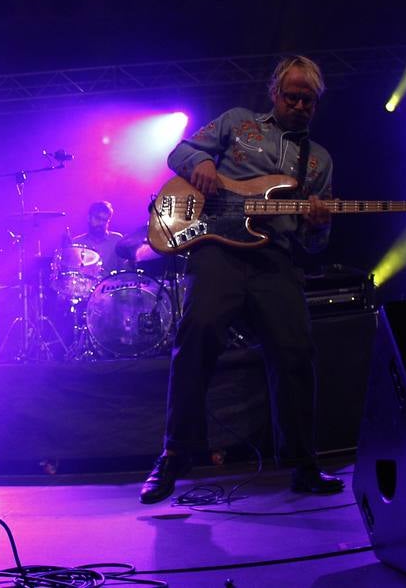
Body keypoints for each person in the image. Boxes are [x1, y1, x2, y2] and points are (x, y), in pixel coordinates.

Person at [140, 55, 341, 503]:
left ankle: (303, 464)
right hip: (219, 250)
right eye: (292, 95)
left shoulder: (320, 161)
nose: (299, 104)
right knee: (198, 332)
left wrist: (320, 222)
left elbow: (313, 247)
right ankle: (175, 454)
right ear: (275, 92)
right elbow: (179, 152)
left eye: (308, 99)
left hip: (275, 259)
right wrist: (201, 165)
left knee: (295, 351)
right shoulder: (238, 122)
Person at [70, 200, 126, 276]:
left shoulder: (117, 239)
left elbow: (125, 270)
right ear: (89, 218)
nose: (101, 223)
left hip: (111, 286)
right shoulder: (76, 242)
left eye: (105, 220)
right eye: (97, 218)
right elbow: (71, 274)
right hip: (85, 286)